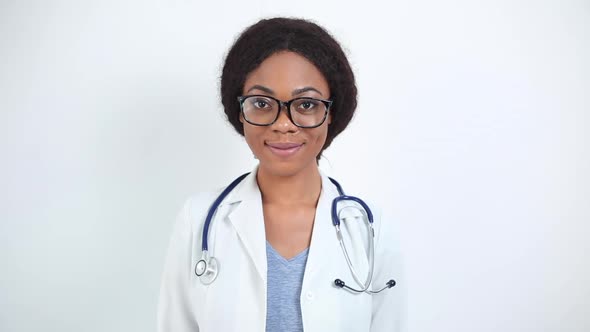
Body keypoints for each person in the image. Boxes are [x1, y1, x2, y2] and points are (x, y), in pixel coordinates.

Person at [157, 17, 403, 332]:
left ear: (331, 113)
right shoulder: (197, 219)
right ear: (240, 111)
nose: (283, 124)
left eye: (306, 104)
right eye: (261, 103)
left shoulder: (370, 229)